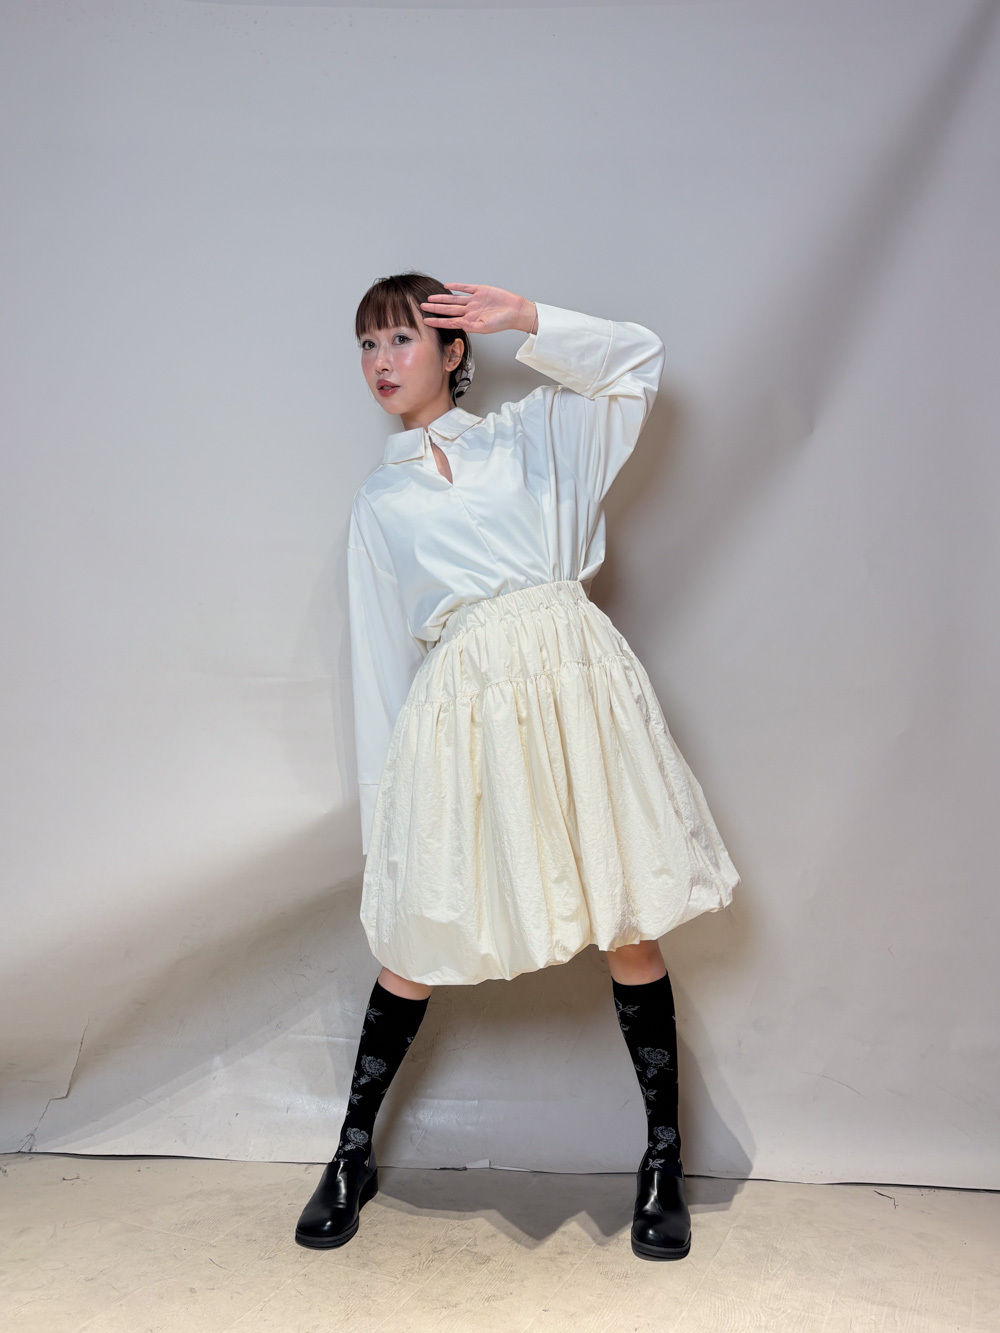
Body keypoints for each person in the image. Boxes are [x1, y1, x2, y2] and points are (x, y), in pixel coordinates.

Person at [295, 273, 741, 1261]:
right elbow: (380, 663)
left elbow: (635, 365)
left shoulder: (532, 436)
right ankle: (351, 1153)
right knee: (416, 937)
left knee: (627, 920)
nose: (379, 363)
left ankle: (663, 1160)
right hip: (462, 716)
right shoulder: (380, 500)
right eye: (366, 345)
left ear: (453, 350)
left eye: (400, 339)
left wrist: (527, 319)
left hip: (575, 691)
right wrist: (385, 820)